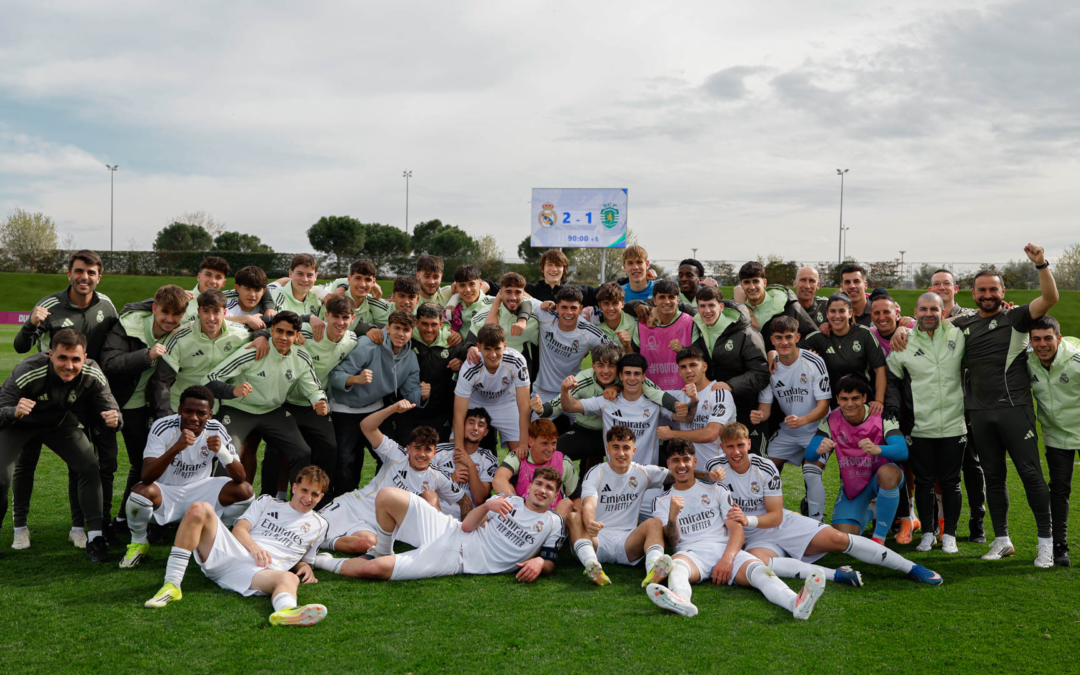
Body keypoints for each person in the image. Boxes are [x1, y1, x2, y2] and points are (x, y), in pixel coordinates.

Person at [894, 244, 1058, 566]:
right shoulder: (961, 326)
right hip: (979, 415)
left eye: (993, 289)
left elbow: (1050, 298)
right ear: (972, 293)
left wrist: (1041, 264)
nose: (987, 294)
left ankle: (1046, 542)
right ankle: (1002, 539)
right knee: (993, 477)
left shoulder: (1017, 318)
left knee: (1030, 475)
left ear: (1002, 291)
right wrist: (904, 326)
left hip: (1014, 410)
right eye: (981, 290)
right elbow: (928, 324)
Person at [710, 422, 942, 586]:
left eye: (740, 445)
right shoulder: (714, 467)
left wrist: (746, 519)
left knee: (839, 539)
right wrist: (707, 475)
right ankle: (836, 575)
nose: (736, 452)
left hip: (779, 524)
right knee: (759, 562)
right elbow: (688, 477)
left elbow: (776, 516)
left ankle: (911, 568)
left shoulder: (765, 467)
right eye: (729, 447)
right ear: (722, 448)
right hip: (751, 537)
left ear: (749, 444)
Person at [10, 250, 120, 550]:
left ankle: (78, 527)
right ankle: (20, 527)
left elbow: (117, 341)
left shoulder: (107, 306)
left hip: (84, 392)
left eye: (91, 272)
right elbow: (22, 347)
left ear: (100, 276)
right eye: (79, 271)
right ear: (68, 273)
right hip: (41, 392)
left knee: (83, 462)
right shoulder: (50, 306)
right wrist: (31, 323)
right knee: (25, 464)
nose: (85, 277)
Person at [646, 439, 825, 620]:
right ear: (668, 464)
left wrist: (727, 558)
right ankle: (681, 600)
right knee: (677, 568)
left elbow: (737, 530)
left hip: (725, 549)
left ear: (694, 462)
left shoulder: (717, 489)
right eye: (675, 460)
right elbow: (673, 542)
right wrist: (673, 517)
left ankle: (795, 602)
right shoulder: (661, 500)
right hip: (691, 554)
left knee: (761, 572)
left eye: (686, 459)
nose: (682, 465)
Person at [143, 465, 331, 627]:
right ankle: (172, 584)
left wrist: (305, 566)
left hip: (260, 572)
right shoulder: (267, 502)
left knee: (289, 579)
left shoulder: (320, 525)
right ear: (295, 488)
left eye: (315, 494)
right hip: (230, 552)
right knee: (200, 508)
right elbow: (239, 529)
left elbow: (305, 557)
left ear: (321, 496)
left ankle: (286, 612)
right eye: (305, 490)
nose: (308, 498)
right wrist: (255, 548)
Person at [311, 467, 565, 583]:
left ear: (555, 496)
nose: (543, 491)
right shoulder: (507, 499)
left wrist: (541, 562)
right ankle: (384, 549)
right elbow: (467, 526)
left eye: (550, 489)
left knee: (373, 570)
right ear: (530, 486)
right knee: (387, 495)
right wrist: (487, 506)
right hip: (450, 529)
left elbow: (551, 561)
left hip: (455, 560)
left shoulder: (553, 523)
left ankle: (321, 561)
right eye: (539, 485)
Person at [0, 329, 121, 562]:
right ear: (50, 354)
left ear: (84, 358)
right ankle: (19, 528)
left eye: (76, 359)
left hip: (58, 423)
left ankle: (95, 539)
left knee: (89, 466)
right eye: (62, 358)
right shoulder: (27, 370)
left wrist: (115, 419)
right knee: (1, 477)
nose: (69, 365)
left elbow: (111, 406)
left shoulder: (92, 371)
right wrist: (13, 411)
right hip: (20, 423)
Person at [120, 386, 254, 568]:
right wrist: (176, 447)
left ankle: (212, 533)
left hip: (201, 493)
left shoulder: (216, 429)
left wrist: (222, 452)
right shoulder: (163, 427)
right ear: (180, 410)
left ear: (210, 415)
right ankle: (139, 542)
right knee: (139, 493)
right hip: (167, 492)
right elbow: (147, 475)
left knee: (245, 491)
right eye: (188, 411)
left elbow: (240, 477)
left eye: (201, 413)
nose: (194, 418)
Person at [318, 400, 468, 555]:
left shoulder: (437, 476)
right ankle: (318, 539)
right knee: (311, 530)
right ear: (408, 449)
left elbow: (464, 501)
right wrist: (393, 409)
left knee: (367, 544)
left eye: (428, 450)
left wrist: (467, 531)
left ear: (434, 453)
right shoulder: (396, 454)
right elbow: (366, 426)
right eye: (417, 448)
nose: (422, 454)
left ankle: (325, 543)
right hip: (353, 506)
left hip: (375, 526)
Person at [100, 285, 189, 543]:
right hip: (117, 402)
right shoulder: (129, 325)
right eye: (165, 312)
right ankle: (106, 524)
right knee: (112, 465)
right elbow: (111, 364)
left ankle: (129, 519)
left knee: (148, 463)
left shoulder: (181, 329)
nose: (170, 319)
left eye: (176, 314)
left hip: (148, 404)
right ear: (154, 308)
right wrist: (147, 355)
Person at [204, 311, 328, 487]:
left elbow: (313, 387)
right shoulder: (252, 351)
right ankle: (218, 505)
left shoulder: (301, 356)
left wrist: (319, 400)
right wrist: (233, 390)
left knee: (302, 452)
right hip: (238, 409)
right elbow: (209, 380)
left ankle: (294, 505)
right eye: (279, 331)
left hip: (272, 411)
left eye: (290, 333)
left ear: (298, 335)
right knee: (228, 454)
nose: (283, 337)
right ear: (271, 331)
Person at [886, 292, 967, 554]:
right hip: (919, 427)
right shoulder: (903, 342)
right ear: (915, 312)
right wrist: (896, 416)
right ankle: (929, 534)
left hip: (955, 424)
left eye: (934, 309)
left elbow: (978, 317)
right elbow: (893, 381)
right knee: (923, 482)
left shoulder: (957, 334)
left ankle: (950, 535)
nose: (929, 313)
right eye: (923, 309)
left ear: (943, 312)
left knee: (952, 482)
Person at [261, 294, 359, 491]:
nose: (340, 322)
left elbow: (364, 332)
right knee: (275, 450)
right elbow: (276, 326)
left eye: (345, 317)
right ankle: (268, 498)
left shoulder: (351, 340)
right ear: (326, 315)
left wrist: (372, 329)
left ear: (352, 319)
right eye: (336, 316)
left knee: (330, 448)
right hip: (285, 401)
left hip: (315, 404)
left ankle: (321, 499)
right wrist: (261, 338)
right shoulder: (305, 331)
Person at [803, 375, 908, 544]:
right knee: (843, 537)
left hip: (881, 478)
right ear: (837, 399)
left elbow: (902, 451)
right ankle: (871, 510)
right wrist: (818, 450)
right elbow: (809, 456)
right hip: (854, 484)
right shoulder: (831, 420)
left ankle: (879, 538)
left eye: (855, 398)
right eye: (844, 399)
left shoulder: (881, 416)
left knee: (887, 472)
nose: (849, 404)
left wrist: (878, 449)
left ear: (865, 398)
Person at [327, 309, 423, 495]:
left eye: (406, 329)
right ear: (387, 328)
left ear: (412, 332)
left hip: (375, 410)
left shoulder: (410, 358)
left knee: (389, 457)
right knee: (346, 459)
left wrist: (422, 394)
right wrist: (356, 379)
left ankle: (381, 498)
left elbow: (411, 393)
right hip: (345, 409)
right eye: (396, 328)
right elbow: (335, 376)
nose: (401, 334)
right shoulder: (367, 345)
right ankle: (345, 500)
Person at [532, 343, 674, 467]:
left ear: (619, 371)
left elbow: (655, 392)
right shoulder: (583, 379)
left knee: (662, 463)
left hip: (617, 435)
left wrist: (677, 405)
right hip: (587, 431)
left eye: (611, 366)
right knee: (555, 451)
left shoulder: (628, 377)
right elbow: (563, 404)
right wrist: (543, 409)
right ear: (593, 366)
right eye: (600, 365)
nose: (606, 371)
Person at [926, 268, 986, 542]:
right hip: (935, 406)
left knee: (971, 464)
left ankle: (978, 520)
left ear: (956, 288)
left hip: (968, 401)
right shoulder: (924, 318)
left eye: (946, 283)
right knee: (937, 469)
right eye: (936, 283)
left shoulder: (972, 317)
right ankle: (939, 524)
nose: (941, 287)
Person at [751, 316, 831, 520]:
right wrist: (759, 415)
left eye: (788, 337)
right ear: (772, 340)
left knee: (811, 471)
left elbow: (824, 407)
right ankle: (776, 516)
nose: (784, 342)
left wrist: (803, 420)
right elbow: (766, 409)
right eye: (779, 338)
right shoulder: (770, 367)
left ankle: (816, 522)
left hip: (818, 428)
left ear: (797, 337)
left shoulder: (814, 361)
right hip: (789, 430)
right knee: (765, 468)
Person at [570, 426, 673, 586]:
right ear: (608, 449)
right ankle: (592, 564)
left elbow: (682, 474)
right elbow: (589, 505)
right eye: (616, 447)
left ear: (634, 450)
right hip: (597, 540)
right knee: (574, 516)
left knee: (654, 523)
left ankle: (653, 570)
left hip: (627, 543)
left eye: (626, 448)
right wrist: (591, 523)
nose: (621, 453)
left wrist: (710, 476)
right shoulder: (596, 472)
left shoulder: (643, 472)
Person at [151, 289, 264, 418]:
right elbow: (161, 381)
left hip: (217, 408)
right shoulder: (178, 337)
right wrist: (165, 415)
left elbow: (262, 334)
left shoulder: (239, 334)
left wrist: (260, 336)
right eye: (206, 311)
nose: (211, 318)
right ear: (199, 312)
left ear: (224, 312)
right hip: (180, 407)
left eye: (216, 311)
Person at [688, 286, 771, 455]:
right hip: (714, 411)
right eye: (702, 306)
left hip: (746, 410)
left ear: (721, 306)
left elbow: (761, 373)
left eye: (711, 305)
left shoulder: (744, 332)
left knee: (750, 464)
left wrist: (731, 385)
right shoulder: (697, 326)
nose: (707, 311)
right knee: (720, 465)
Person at [1026, 315, 1078, 567]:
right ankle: (1060, 545)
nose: (1042, 344)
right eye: (1036, 339)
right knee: (1059, 489)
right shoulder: (1027, 360)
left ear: (1058, 338)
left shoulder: (1077, 361)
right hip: (1056, 434)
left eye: (1048, 338)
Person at [527, 286, 613, 412]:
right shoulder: (545, 314)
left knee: (582, 428)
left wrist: (615, 387)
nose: (569, 312)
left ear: (581, 309)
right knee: (537, 430)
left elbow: (618, 353)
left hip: (574, 392)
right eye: (564, 307)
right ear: (557, 307)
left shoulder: (589, 332)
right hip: (543, 392)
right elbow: (523, 297)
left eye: (573, 308)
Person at [798, 293, 887, 410]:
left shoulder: (864, 334)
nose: (837, 315)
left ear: (850, 313)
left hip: (862, 404)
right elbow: (792, 352)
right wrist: (773, 354)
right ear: (827, 314)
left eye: (841, 311)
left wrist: (879, 401)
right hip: (831, 407)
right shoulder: (819, 337)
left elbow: (880, 369)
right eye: (833, 311)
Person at [453, 325, 531, 456]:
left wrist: (523, 444)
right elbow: (459, 415)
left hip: (506, 403)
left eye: (497, 348)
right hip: (476, 404)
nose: (493, 354)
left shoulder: (517, 361)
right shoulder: (469, 367)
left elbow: (524, 407)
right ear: (479, 347)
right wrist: (459, 453)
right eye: (487, 349)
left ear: (505, 346)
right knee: (454, 444)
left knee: (523, 455)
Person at [397, 302, 469, 443]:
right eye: (424, 324)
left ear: (441, 324)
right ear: (416, 323)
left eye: (434, 324)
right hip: (408, 410)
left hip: (440, 413)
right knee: (404, 455)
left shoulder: (451, 341)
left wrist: (461, 361)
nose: (429, 329)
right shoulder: (406, 339)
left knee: (438, 458)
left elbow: (471, 351)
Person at [659, 347, 735, 463]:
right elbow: (646, 392)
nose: (688, 370)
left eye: (693, 365)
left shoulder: (719, 393)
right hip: (689, 473)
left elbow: (711, 433)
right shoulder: (675, 396)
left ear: (704, 366)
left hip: (718, 471)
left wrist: (671, 434)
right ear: (679, 371)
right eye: (683, 367)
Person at [492, 419, 579, 519]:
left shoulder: (564, 462)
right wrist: (518, 507)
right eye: (545, 443)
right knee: (508, 487)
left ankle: (553, 532)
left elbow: (575, 497)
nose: (550, 449)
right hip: (521, 512)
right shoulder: (518, 456)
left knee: (566, 503)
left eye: (553, 443)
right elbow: (498, 480)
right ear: (531, 441)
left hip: (551, 518)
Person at [432, 408, 497, 518]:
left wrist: (470, 465)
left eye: (480, 425)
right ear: (461, 426)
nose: (475, 428)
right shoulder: (440, 451)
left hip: (466, 519)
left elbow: (479, 499)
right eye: (471, 423)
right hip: (437, 512)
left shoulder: (488, 459)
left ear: (486, 432)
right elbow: (422, 484)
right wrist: (449, 480)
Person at [736, 261, 819, 346]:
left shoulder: (788, 305)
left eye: (756, 281)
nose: (752, 287)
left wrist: (793, 352)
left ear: (764, 283)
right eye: (747, 282)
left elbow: (814, 336)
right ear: (741, 285)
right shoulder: (737, 309)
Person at [633, 280, 693, 392]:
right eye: (662, 297)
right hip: (650, 392)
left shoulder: (689, 322)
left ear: (677, 300)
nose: (667, 301)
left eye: (671, 297)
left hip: (683, 391)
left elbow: (700, 356)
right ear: (654, 301)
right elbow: (633, 359)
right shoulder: (642, 323)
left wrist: (683, 350)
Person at [477, 273, 538, 372]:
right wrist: (470, 348)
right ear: (500, 293)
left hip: (518, 377)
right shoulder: (484, 315)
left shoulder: (532, 320)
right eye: (508, 292)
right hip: (487, 377)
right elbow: (471, 343)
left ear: (524, 294)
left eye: (518, 292)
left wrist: (522, 320)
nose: (513, 297)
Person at [592, 282, 638, 353]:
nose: (611, 308)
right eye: (606, 303)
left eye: (615, 303)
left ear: (622, 304)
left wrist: (627, 346)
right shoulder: (593, 325)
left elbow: (637, 359)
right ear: (600, 305)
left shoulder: (634, 324)